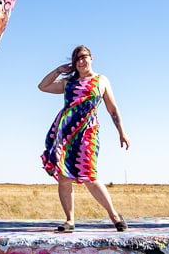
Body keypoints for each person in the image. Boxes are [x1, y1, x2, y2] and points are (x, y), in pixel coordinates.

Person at [38, 45, 130, 232]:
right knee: (64, 177)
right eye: (77, 59)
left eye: (84, 57)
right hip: (65, 134)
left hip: (88, 133)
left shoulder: (101, 80)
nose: (81, 61)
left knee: (90, 175)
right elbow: (43, 86)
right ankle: (70, 220)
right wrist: (58, 70)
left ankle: (114, 216)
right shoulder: (68, 83)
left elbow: (112, 109)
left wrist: (122, 131)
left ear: (91, 58)